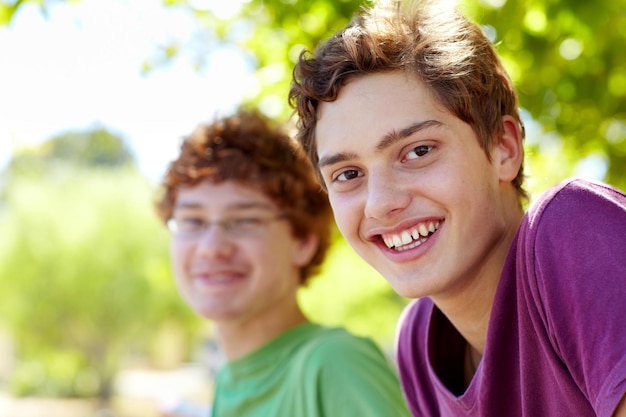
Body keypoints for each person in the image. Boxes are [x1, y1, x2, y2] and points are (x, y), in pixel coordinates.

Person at [289, 0, 626, 416]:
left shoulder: (573, 230)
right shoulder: (417, 341)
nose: (380, 203)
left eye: (418, 151)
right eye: (347, 174)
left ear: (504, 148)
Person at [156, 108, 411, 417]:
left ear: (303, 240)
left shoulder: (334, 365)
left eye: (244, 221)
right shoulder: (229, 381)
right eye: (192, 221)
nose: (211, 248)